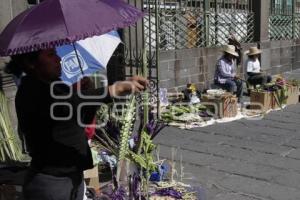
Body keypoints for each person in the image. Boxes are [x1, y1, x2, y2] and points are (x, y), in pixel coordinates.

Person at [6, 48, 148, 200]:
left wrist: (84, 93)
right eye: (50, 55)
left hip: (73, 178)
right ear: (30, 63)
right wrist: (115, 89)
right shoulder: (31, 90)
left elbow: (80, 118)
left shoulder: (56, 85)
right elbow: (69, 103)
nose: (58, 59)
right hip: (51, 184)